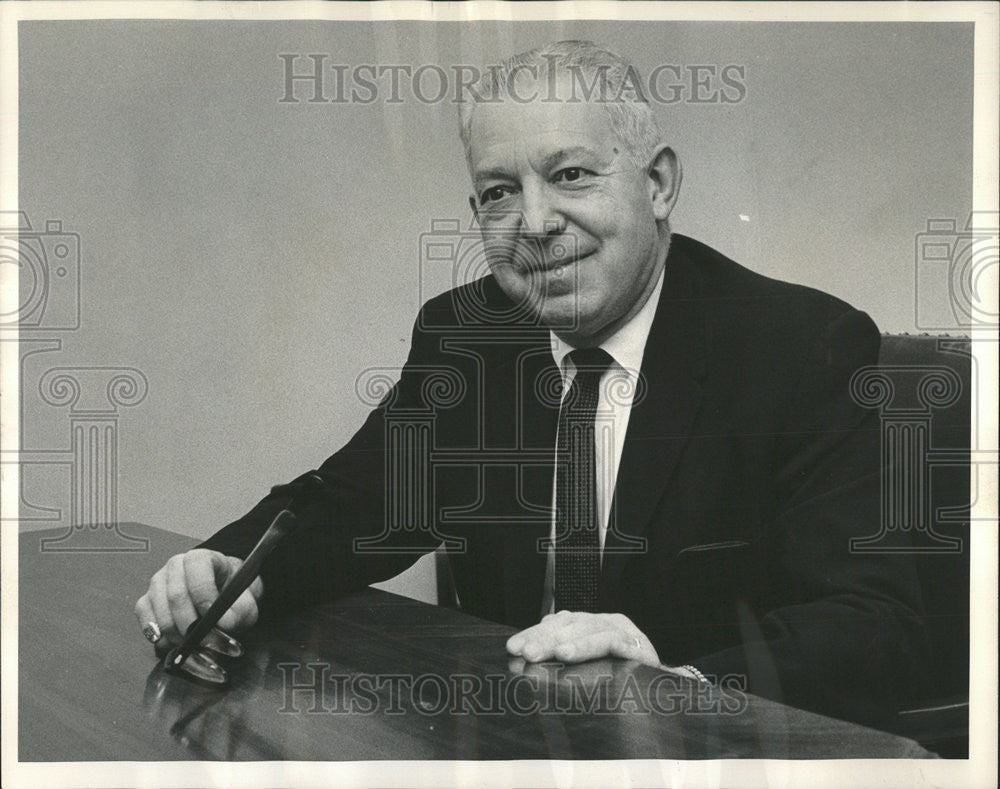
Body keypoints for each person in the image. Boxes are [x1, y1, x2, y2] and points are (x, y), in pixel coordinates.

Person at [134, 40, 926, 727]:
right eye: (500, 193)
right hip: (511, 743)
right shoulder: (466, 336)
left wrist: (678, 684)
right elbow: (347, 509)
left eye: (571, 174)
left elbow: (874, 623)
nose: (536, 224)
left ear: (657, 184)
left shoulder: (801, 348)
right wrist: (222, 571)